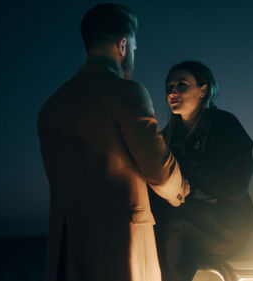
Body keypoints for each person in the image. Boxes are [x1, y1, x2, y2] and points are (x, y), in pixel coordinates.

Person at [37, 4, 189, 281]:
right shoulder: (127, 93)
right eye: (133, 47)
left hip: (69, 250)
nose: (133, 54)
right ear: (123, 45)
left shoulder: (51, 107)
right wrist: (182, 190)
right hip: (120, 245)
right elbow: (158, 170)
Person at [151, 61, 253, 281]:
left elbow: (236, 189)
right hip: (186, 218)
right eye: (169, 86)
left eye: (182, 85)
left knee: (172, 220)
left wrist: (189, 171)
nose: (173, 92)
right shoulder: (169, 135)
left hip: (226, 223)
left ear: (203, 90)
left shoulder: (226, 125)